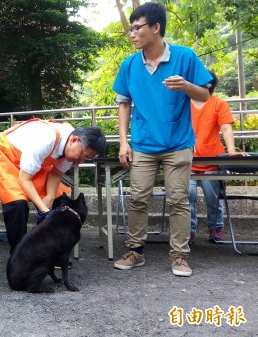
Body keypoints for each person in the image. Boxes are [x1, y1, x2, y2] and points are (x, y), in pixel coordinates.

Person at [112, 2, 213, 277]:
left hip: (178, 143)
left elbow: (204, 95)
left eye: (137, 28)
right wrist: (124, 141)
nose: (132, 34)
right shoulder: (130, 65)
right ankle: (135, 251)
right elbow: (124, 104)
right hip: (143, 144)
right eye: (131, 29)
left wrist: (186, 86)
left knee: (179, 199)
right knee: (138, 198)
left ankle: (179, 255)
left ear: (155, 28)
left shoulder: (185, 57)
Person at [0, 119, 106, 254]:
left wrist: (50, 197)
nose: (81, 161)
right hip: (6, 155)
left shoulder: (71, 150)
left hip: (31, 165)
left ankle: (46, 252)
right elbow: (25, 180)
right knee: (17, 204)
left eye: (86, 159)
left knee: (59, 201)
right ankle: (20, 254)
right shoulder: (47, 139)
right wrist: (45, 210)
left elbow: (56, 173)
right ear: (74, 140)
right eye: (82, 155)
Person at [189, 70, 247, 245]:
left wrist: (231, 151)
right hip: (187, 159)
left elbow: (226, 127)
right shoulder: (184, 102)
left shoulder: (218, 103)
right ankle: (188, 231)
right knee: (186, 196)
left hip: (212, 158)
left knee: (213, 196)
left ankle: (216, 228)